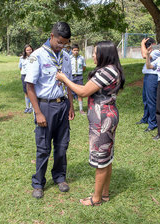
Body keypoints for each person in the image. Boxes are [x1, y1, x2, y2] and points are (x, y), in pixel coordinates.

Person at [56, 41, 125, 206]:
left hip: (102, 120)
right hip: (106, 116)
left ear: (104, 54)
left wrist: (64, 78)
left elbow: (83, 92)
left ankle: (96, 199)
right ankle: (105, 194)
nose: (93, 56)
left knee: (101, 159)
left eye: (95, 53)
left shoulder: (107, 71)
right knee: (106, 156)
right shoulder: (112, 69)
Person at [25, 22, 75, 199]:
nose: (62, 46)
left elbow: (68, 83)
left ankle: (60, 176)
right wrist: (38, 112)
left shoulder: (66, 57)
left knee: (62, 145)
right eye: (60, 42)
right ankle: (38, 182)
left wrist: (71, 104)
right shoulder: (37, 56)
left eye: (65, 43)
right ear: (52, 36)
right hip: (45, 106)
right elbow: (29, 86)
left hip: (62, 106)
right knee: (43, 147)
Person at [136, 38, 160, 132]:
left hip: (153, 76)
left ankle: (153, 123)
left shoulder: (157, 49)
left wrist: (141, 43)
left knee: (151, 100)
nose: (147, 48)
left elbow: (144, 55)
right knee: (145, 99)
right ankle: (146, 118)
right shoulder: (153, 49)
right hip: (147, 76)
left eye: (147, 46)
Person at [70, 44, 86, 114]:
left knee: (80, 93)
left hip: (79, 76)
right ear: (72, 51)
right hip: (72, 76)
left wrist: (80, 71)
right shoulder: (69, 58)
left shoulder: (81, 58)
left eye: (77, 50)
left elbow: (84, 66)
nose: (76, 52)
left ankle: (81, 109)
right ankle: (71, 108)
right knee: (70, 93)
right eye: (74, 50)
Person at [19, 44, 33, 113]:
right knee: (26, 92)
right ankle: (27, 107)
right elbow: (20, 67)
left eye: (30, 49)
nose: (29, 51)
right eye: (27, 50)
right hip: (24, 75)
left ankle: (31, 107)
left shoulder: (34, 57)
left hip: (31, 75)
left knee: (31, 91)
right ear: (25, 51)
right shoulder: (22, 58)